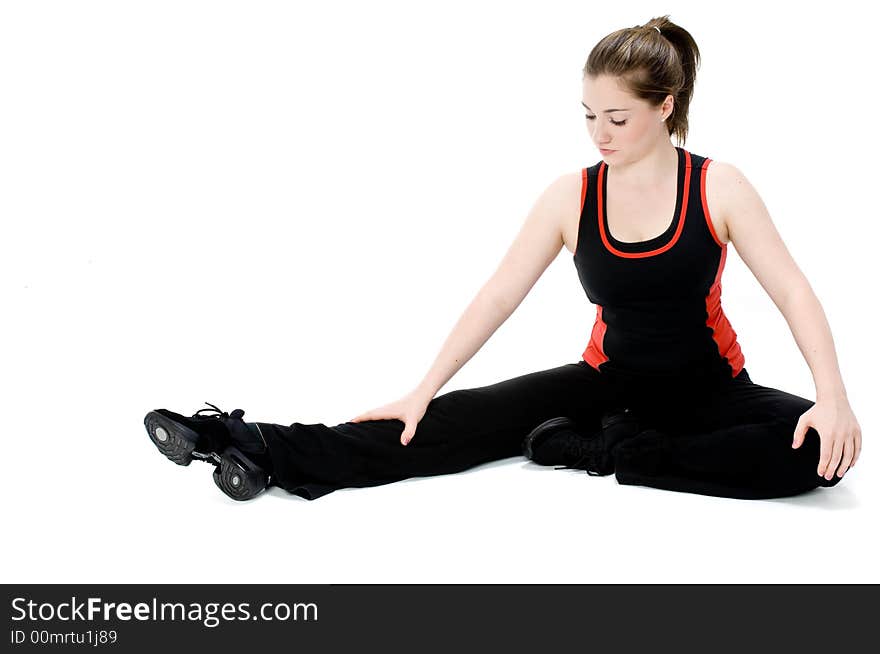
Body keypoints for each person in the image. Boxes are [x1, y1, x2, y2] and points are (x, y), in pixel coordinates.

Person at [143, 15, 862, 502]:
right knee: (443, 424)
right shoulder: (568, 197)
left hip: (712, 391)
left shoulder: (718, 185)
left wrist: (832, 398)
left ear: (665, 105)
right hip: (603, 384)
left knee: (813, 450)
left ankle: (608, 454)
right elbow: (497, 295)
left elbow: (794, 290)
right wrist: (423, 386)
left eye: (617, 118)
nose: (599, 134)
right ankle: (251, 445)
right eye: (588, 116)